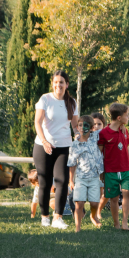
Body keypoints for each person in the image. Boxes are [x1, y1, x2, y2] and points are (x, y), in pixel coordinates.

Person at [33, 70, 79, 229]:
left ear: (67, 84)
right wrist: (45, 142)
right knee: (44, 183)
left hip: (64, 147)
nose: (58, 85)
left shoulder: (72, 102)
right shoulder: (45, 99)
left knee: (63, 181)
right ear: (52, 83)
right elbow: (37, 122)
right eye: (56, 82)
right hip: (43, 147)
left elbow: (74, 125)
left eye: (61, 82)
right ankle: (44, 216)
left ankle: (57, 217)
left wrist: (80, 136)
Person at [97, 103, 129, 230]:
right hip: (111, 171)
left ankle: (125, 222)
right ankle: (116, 224)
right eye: (127, 115)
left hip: (126, 169)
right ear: (119, 118)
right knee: (114, 198)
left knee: (127, 193)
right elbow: (99, 153)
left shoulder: (124, 130)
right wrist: (100, 171)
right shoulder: (104, 133)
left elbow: (127, 149)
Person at [68, 115, 104, 232]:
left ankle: (93, 216)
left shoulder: (95, 137)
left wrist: (122, 127)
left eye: (86, 126)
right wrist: (71, 180)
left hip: (94, 178)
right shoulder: (74, 145)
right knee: (79, 203)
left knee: (94, 203)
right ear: (77, 127)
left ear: (92, 128)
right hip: (81, 178)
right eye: (80, 125)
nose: (83, 128)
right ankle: (78, 227)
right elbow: (72, 163)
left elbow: (109, 129)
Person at [90, 112, 108, 208]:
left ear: (103, 125)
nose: (96, 126)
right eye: (94, 124)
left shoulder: (106, 136)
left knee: (107, 190)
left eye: (99, 124)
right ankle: (95, 211)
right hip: (92, 167)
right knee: (96, 189)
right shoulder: (87, 137)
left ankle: (99, 209)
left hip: (105, 165)